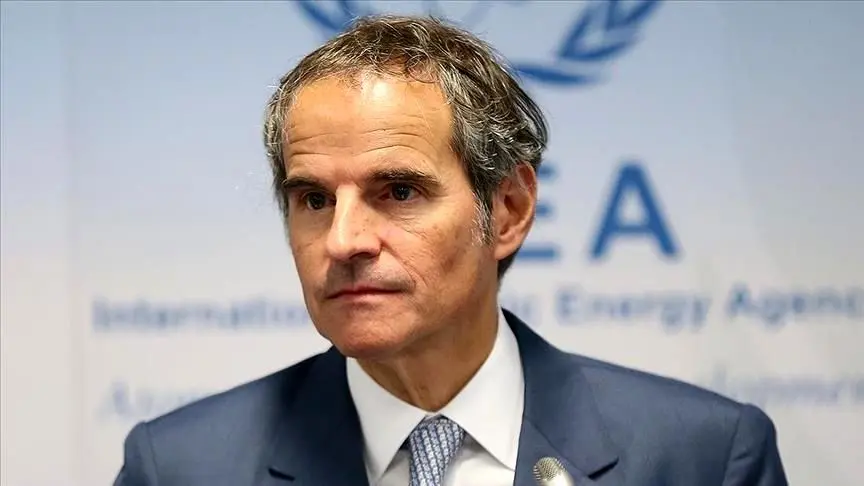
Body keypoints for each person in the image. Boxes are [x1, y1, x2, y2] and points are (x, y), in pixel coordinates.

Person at [113, 14, 788, 486]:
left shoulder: (702, 458)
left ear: (509, 209)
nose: (343, 241)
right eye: (314, 199)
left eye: (399, 191)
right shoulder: (179, 468)